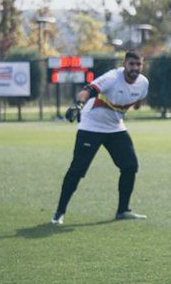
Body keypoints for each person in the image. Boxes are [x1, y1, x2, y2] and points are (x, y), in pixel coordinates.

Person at [51, 51, 149, 224]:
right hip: (91, 125)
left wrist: (135, 103)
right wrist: (79, 105)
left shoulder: (143, 83)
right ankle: (59, 212)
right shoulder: (112, 77)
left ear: (143, 65)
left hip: (115, 127)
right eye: (131, 64)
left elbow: (138, 100)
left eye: (138, 64)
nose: (135, 68)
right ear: (124, 64)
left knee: (130, 166)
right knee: (77, 170)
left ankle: (123, 210)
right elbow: (88, 90)